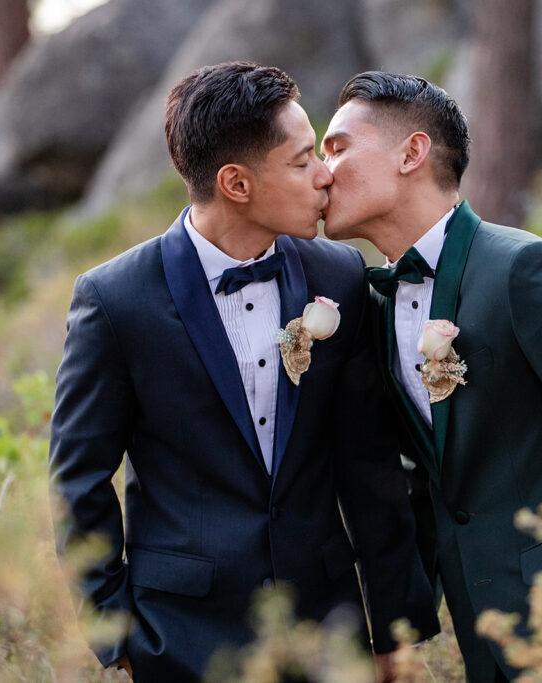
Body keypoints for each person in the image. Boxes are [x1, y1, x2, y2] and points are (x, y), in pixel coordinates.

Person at [48, 62, 439, 682]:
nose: (324, 175)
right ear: (236, 183)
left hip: (326, 632)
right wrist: (115, 635)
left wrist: (397, 626)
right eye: (301, 160)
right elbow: (79, 482)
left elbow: (370, 466)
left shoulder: (337, 276)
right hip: (180, 638)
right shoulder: (114, 300)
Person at [320, 71, 542, 682]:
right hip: (484, 632)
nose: (323, 172)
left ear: (412, 153)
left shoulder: (524, 270)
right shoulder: (375, 306)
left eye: (338, 147)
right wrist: (404, 623)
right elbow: (429, 479)